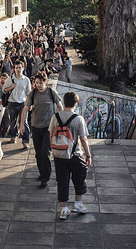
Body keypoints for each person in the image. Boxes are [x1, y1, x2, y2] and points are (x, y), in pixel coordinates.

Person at [48, 91, 92, 219]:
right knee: (80, 177)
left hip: (58, 154)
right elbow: (83, 139)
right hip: (74, 155)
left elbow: (51, 134)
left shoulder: (54, 117)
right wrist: (88, 155)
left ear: (64, 102)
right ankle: (78, 203)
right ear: (75, 103)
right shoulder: (78, 119)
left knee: (62, 180)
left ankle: (64, 209)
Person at [20, 72, 63, 188]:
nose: (39, 85)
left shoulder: (51, 92)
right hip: (35, 126)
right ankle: (42, 172)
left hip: (48, 127)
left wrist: (60, 122)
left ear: (46, 82)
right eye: (37, 83)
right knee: (38, 153)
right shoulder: (33, 94)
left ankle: (45, 177)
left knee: (45, 152)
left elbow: (60, 106)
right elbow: (25, 109)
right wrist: (22, 125)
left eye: (41, 83)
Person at [3, 60, 31, 149]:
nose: (18, 69)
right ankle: (14, 135)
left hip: (22, 103)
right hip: (12, 102)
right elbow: (4, 90)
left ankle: (25, 141)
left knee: (24, 122)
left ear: (23, 68)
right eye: (16, 68)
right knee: (13, 121)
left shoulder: (26, 80)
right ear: (14, 69)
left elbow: (28, 93)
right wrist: (11, 87)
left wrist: (30, 104)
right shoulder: (10, 79)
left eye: (20, 68)